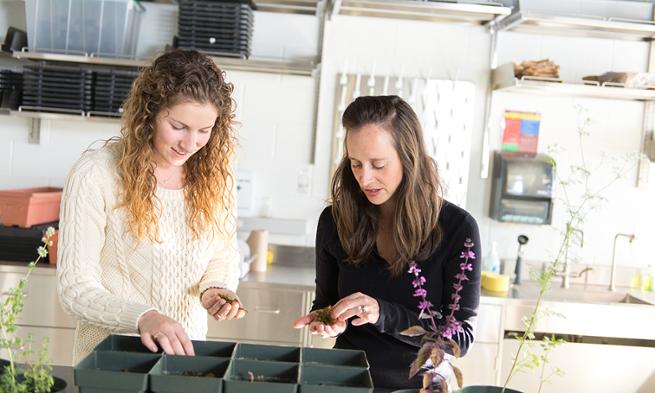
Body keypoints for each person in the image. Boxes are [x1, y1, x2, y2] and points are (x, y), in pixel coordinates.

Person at [56, 49, 245, 364]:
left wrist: (215, 288)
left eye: (204, 131)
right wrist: (144, 317)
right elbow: (74, 289)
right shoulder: (96, 174)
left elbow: (222, 252)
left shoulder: (216, 177)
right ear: (150, 112)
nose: (190, 144)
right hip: (110, 364)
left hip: (185, 363)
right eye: (178, 126)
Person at [293, 95, 481, 391]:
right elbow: (326, 302)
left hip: (419, 385)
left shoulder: (457, 228)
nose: (365, 178)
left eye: (378, 164)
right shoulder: (335, 220)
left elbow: (460, 338)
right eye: (355, 164)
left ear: (409, 158)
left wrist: (383, 313)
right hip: (345, 381)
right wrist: (328, 320)